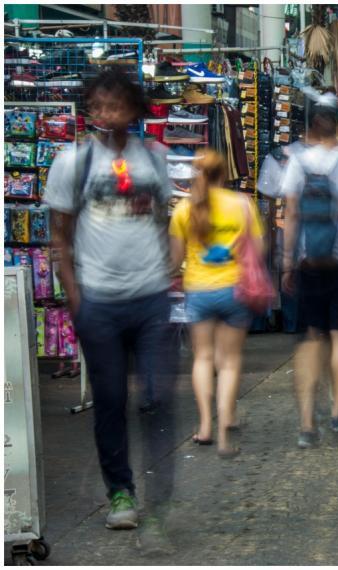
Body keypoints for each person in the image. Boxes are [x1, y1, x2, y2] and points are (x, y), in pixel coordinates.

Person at [45, 70, 176, 531]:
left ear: (135, 108)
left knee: (159, 397)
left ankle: (162, 491)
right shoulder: (71, 163)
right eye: (99, 106)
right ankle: (121, 491)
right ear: (89, 110)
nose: (108, 114)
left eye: (117, 104)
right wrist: (74, 294)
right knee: (110, 399)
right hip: (99, 301)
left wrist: (168, 271)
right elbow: (59, 234)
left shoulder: (155, 159)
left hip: (150, 298)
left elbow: (164, 219)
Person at [280, 89, 338, 449]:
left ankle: (306, 422)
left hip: (309, 261)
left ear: (311, 122)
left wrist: (288, 261)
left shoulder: (297, 162)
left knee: (310, 337)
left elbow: (291, 213)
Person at [169, 150, 264, 458]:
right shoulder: (242, 205)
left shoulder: (184, 208)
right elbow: (259, 251)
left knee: (203, 359)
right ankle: (225, 431)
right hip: (234, 290)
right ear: (226, 173)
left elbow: (174, 260)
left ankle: (205, 426)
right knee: (230, 361)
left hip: (198, 290)